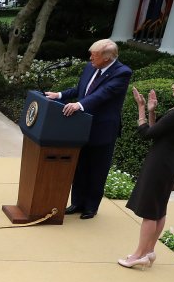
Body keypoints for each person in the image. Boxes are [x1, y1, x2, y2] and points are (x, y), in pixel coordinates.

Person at [120, 69, 174, 269]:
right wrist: (152, 112)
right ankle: (149, 252)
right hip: (168, 160)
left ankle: (138, 255)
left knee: (150, 211)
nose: (173, 86)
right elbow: (158, 133)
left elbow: (146, 134)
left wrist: (141, 108)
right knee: (158, 209)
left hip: (160, 162)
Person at [45, 39, 132, 219]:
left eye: (95, 54)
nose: (91, 57)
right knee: (80, 166)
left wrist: (79, 105)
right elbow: (81, 89)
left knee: (97, 169)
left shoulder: (122, 73)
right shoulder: (91, 66)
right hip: (80, 127)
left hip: (103, 129)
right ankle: (77, 203)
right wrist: (59, 95)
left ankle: (91, 207)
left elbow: (103, 94)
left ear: (108, 58)